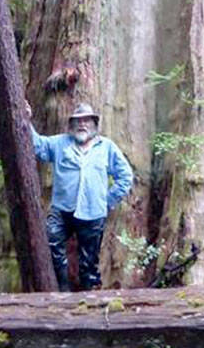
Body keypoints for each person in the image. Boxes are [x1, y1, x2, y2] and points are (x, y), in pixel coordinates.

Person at [26, 101, 133, 291]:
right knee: (50, 243)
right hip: (62, 210)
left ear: (94, 124)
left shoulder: (106, 147)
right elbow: (37, 145)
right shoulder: (60, 143)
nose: (82, 124)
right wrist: (25, 120)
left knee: (88, 263)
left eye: (87, 120)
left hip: (93, 213)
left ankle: (88, 300)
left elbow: (125, 176)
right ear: (71, 125)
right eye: (78, 121)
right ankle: (61, 291)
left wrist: (107, 202)